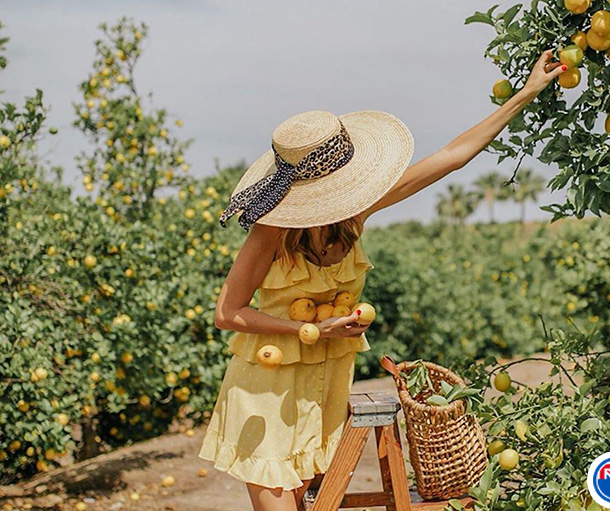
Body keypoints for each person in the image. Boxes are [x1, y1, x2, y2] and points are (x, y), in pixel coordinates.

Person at [198, 50, 567, 511]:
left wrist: (525, 95)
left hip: (325, 380)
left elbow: (451, 157)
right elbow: (227, 313)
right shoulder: (271, 229)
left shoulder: (354, 214)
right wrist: (310, 330)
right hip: (267, 389)